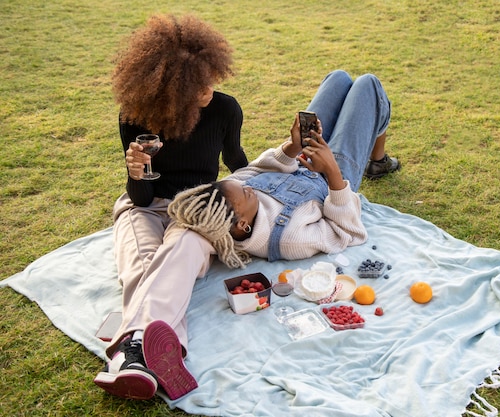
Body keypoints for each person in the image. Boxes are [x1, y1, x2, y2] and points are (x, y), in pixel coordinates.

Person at [93, 14, 248, 401]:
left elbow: (237, 162)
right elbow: (142, 199)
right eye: (198, 83)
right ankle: (161, 351)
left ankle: (129, 356)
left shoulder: (226, 110)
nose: (210, 87)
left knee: (182, 249)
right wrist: (136, 172)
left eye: (212, 75)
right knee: (142, 264)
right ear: (170, 88)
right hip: (146, 205)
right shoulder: (135, 118)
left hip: (196, 208)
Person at [169, 70, 400, 267]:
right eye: (247, 193)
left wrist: (292, 146)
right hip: (333, 176)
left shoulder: (232, 196)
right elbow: (347, 232)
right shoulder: (289, 240)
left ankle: (377, 159)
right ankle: (377, 161)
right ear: (243, 224)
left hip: (301, 155)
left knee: (338, 78)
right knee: (368, 86)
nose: (248, 188)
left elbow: (256, 169)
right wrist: (331, 170)